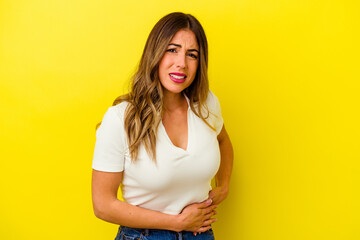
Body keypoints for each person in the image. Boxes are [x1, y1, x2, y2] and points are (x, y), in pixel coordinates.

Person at [91, 12, 233, 240]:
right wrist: (177, 223)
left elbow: (223, 141)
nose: (181, 64)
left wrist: (223, 187)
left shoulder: (206, 104)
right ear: (155, 53)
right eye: (172, 49)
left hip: (201, 235)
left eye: (192, 55)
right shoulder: (121, 118)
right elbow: (102, 204)